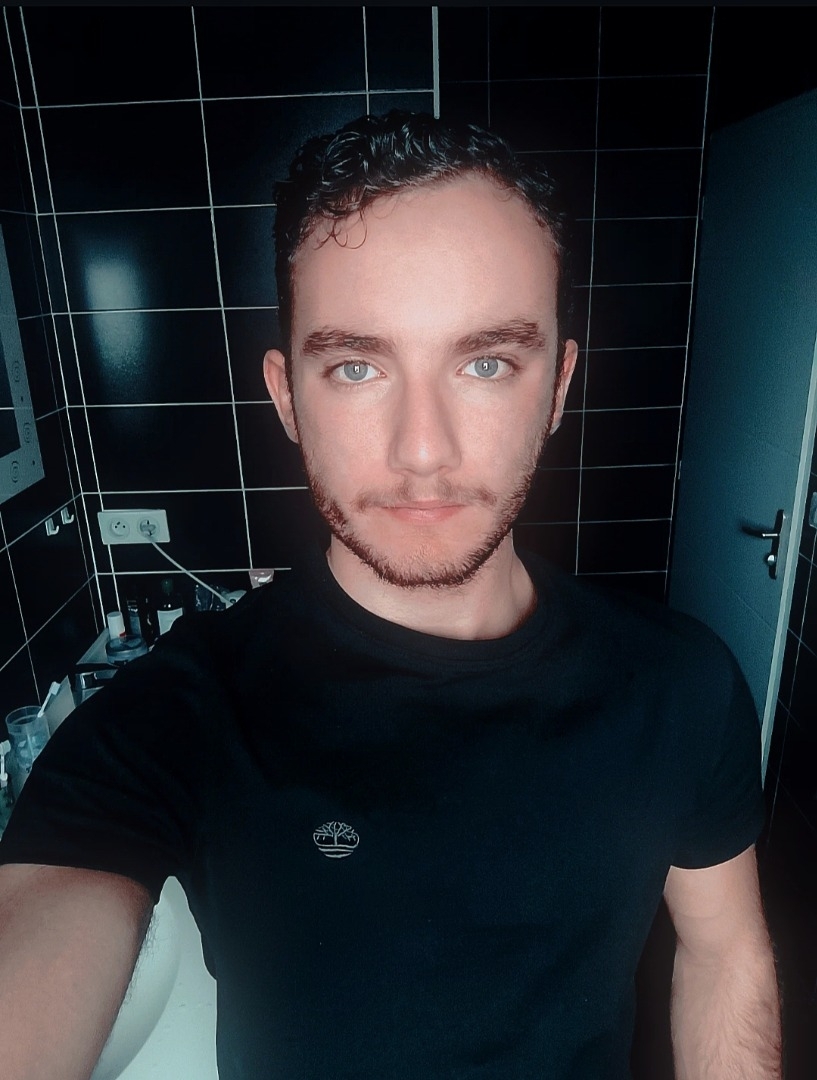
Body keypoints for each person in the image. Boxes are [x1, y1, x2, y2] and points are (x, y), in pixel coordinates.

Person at [0, 111, 781, 1079]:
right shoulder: (174, 717)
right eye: (357, 367)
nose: (422, 450)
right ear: (287, 397)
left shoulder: (679, 684)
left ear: (556, 387)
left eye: (486, 363)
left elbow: (723, 953)